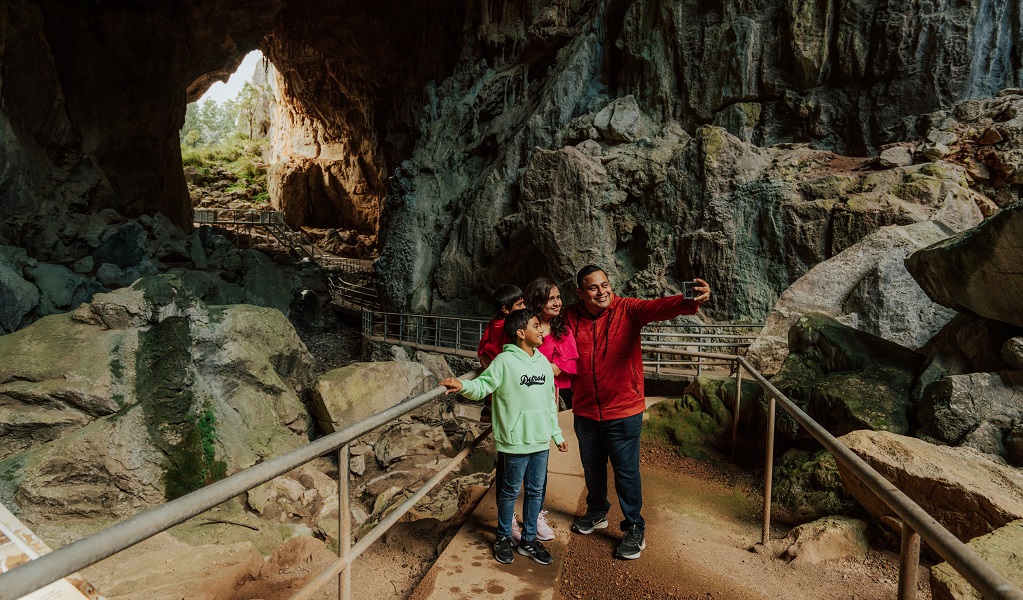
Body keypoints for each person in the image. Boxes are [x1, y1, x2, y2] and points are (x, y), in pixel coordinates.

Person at [564, 265, 710, 560]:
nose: (602, 291)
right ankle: (596, 512)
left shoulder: (628, 309)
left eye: (605, 285)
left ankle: (634, 527)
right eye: (593, 288)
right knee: (592, 467)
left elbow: (659, 307)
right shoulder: (570, 315)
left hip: (624, 409)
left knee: (626, 471)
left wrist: (688, 300)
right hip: (586, 409)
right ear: (581, 293)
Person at [442, 309, 569, 565]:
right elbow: (482, 386)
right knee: (509, 492)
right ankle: (502, 537)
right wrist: (462, 385)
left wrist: (555, 433)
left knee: (535, 493)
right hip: (514, 441)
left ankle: (529, 540)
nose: (542, 330)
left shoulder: (543, 363)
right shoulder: (503, 362)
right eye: (536, 326)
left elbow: (548, 401)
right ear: (521, 333)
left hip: (540, 440)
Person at [477, 284, 526, 423]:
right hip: (505, 374)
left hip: (496, 371)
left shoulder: (494, 323)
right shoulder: (510, 327)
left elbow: (481, 350)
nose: (524, 307)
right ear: (505, 309)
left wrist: (490, 368)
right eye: (519, 304)